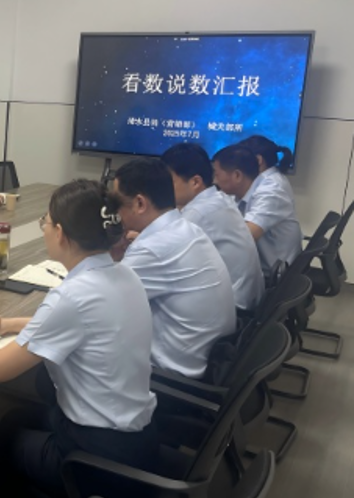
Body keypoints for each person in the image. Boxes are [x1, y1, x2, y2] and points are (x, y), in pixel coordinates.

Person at [0, 180, 158, 498]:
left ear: (61, 234)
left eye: (45, 221)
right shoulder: (123, 274)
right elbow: (69, 321)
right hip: (137, 439)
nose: (43, 228)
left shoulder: (72, 296)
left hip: (97, 460)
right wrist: (6, 324)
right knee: (17, 419)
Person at [113, 158, 236, 379]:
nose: (115, 213)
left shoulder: (152, 248)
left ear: (140, 203)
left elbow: (99, 306)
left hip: (169, 375)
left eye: (116, 204)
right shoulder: (186, 229)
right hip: (208, 359)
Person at [161, 143, 265, 312]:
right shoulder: (218, 199)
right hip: (245, 297)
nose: (164, 188)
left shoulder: (199, 213)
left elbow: (163, 256)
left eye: (169, 181)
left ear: (195, 182)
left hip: (235, 307)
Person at [213, 137, 303, 277]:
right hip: (267, 264)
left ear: (258, 160)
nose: (214, 180)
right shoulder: (257, 184)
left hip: (276, 274)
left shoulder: (272, 188)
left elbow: (245, 238)